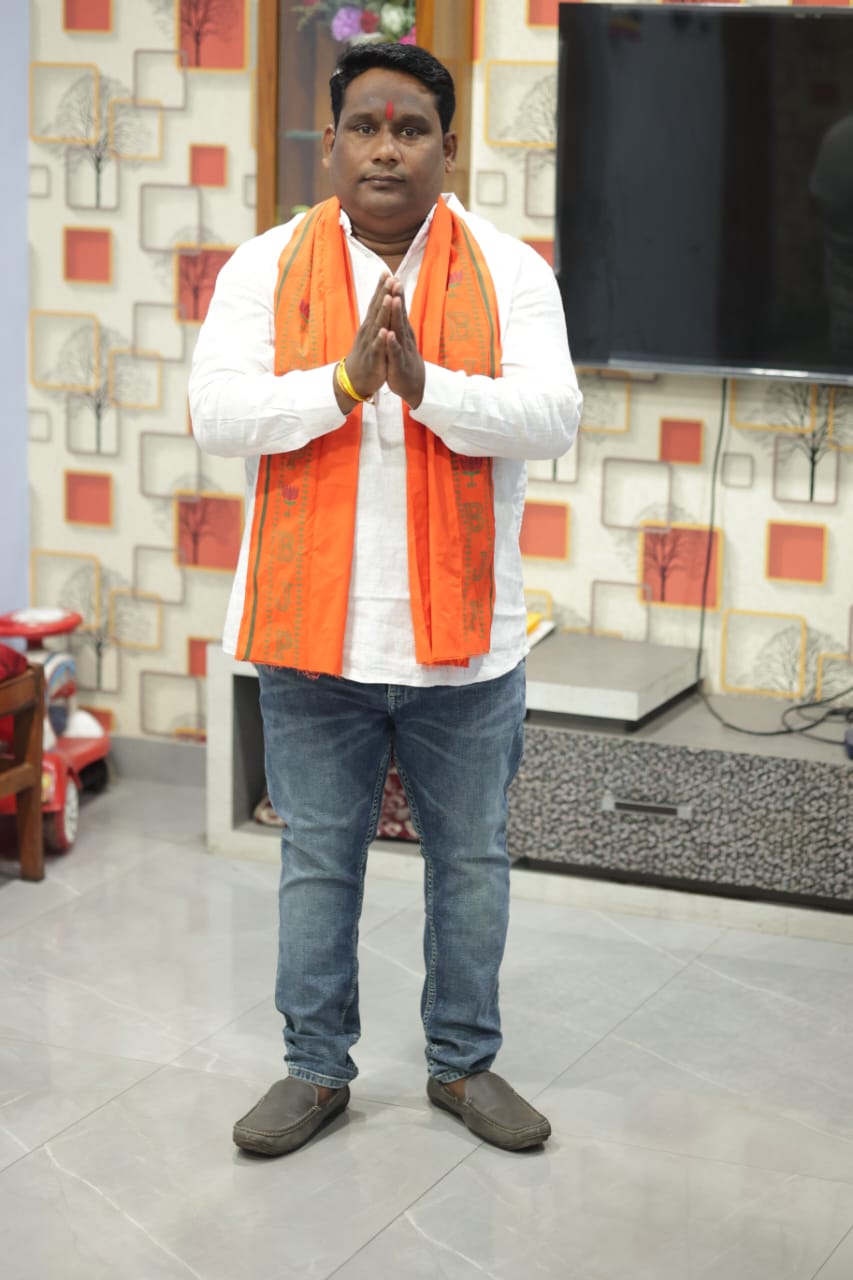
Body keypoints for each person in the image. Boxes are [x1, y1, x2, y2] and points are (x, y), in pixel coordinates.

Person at [189, 41, 582, 1157]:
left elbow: (553, 416)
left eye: (410, 130)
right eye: (364, 127)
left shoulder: (509, 271)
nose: (385, 149)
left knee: (471, 863)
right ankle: (315, 1068)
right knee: (319, 859)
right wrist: (346, 382)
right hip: (313, 641)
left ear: (447, 148)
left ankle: (463, 1063)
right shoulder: (264, 266)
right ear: (331, 143)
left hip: (467, 645)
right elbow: (217, 414)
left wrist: (425, 386)